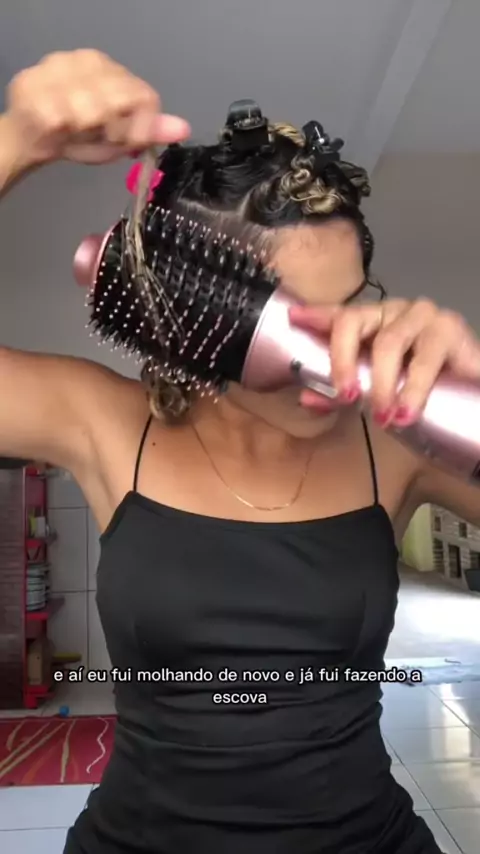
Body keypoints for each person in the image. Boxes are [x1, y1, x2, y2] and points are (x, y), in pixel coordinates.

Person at [1, 49, 479, 854]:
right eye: (296, 332)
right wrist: (15, 140)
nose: (330, 369)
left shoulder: (398, 438)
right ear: (184, 323)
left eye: (349, 310)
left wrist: (470, 394)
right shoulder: (104, 423)